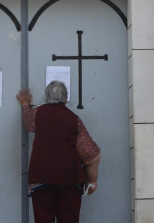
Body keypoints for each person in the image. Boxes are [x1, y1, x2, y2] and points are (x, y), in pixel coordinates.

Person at [17, 82, 101, 223]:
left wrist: (25, 105)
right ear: (66, 98)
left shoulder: (36, 114)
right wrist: (92, 180)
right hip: (69, 180)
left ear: (46, 96)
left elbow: (27, 122)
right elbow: (90, 155)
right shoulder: (74, 120)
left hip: (41, 178)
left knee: (43, 219)